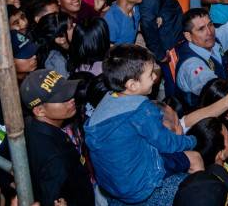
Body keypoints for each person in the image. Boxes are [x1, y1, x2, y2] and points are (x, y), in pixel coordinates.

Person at [85, 44, 203, 205]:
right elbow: (167, 143)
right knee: (193, 157)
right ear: (132, 85)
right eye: (150, 74)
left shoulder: (106, 102)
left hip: (113, 187)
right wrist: (191, 140)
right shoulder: (140, 109)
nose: (155, 77)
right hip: (141, 187)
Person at [20, 68, 95, 206]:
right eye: (62, 98)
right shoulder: (56, 158)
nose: (71, 99)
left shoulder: (26, 124)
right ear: (39, 110)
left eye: (68, 91)